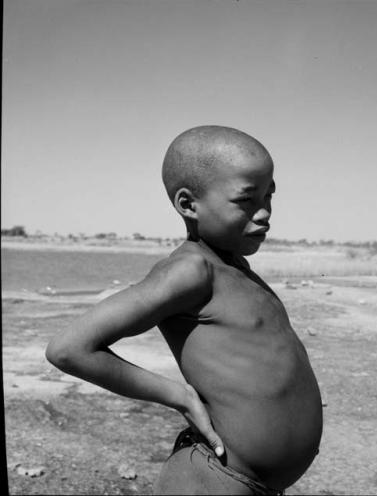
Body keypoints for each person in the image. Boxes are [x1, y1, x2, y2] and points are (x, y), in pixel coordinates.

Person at [46, 125, 323, 495]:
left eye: (269, 196)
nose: (264, 213)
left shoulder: (235, 267)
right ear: (188, 205)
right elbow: (69, 349)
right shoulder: (191, 270)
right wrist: (179, 395)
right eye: (246, 199)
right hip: (212, 480)